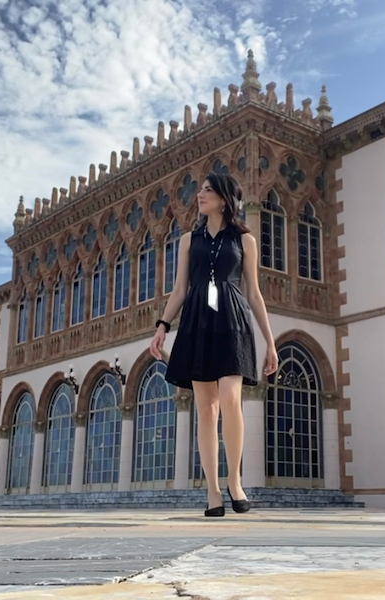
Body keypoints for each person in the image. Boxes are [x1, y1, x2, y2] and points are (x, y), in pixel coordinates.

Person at [149, 172, 278, 517]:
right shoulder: (189, 240)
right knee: (206, 409)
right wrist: (162, 326)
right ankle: (213, 492)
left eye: (207, 191)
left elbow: (253, 293)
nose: (200, 195)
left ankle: (235, 482)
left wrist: (270, 341)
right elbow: (179, 290)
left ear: (224, 199)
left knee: (231, 399)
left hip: (232, 319)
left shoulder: (244, 240)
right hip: (197, 320)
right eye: (201, 190)